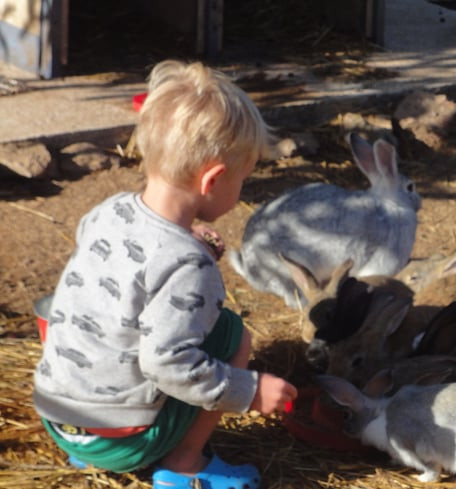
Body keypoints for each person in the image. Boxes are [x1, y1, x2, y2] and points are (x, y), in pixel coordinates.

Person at [32, 59, 298, 489]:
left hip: (59, 419)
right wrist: (247, 391)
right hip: (122, 442)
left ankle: (88, 447)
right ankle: (184, 462)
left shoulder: (109, 210)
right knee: (232, 334)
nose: (241, 190)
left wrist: (185, 234)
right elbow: (166, 363)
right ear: (213, 180)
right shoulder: (190, 266)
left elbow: (124, 260)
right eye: (243, 180)